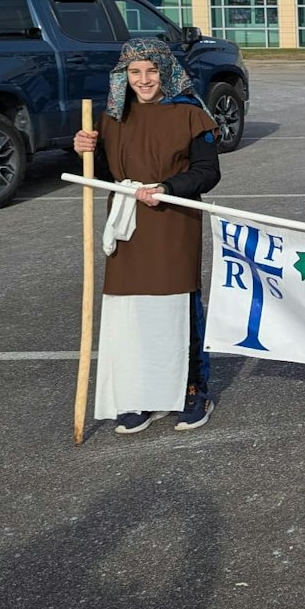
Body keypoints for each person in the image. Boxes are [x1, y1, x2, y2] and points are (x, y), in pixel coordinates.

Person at [74, 38, 222, 435]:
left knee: (178, 307)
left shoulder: (190, 113)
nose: (144, 80)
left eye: (152, 71)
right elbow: (106, 174)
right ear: (123, 75)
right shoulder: (111, 116)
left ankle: (194, 391)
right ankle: (141, 394)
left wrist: (168, 188)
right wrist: (85, 149)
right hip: (127, 224)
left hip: (172, 218)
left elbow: (208, 172)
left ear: (166, 71)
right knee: (133, 312)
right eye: (135, 72)